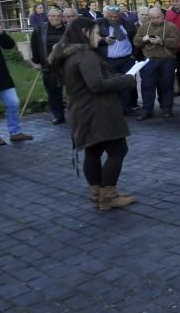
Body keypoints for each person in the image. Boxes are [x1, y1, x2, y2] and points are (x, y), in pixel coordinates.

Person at [48, 16, 137, 209]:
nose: (100, 37)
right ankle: (109, 196)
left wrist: (114, 78)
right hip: (98, 111)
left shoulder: (68, 54)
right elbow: (96, 85)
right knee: (118, 150)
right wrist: (126, 79)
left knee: (93, 150)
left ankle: (97, 193)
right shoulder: (85, 56)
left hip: (82, 110)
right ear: (85, 33)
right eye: (97, 33)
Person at [134, 7, 180, 120]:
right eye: (153, 18)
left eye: (158, 17)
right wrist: (144, 39)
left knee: (167, 85)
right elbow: (136, 41)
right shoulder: (144, 27)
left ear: (163, 15)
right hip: (150, 61)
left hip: (167, 60)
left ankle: (167, 109)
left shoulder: (171, 26)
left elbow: (177, 43)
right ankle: (147, 110)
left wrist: (162, 41)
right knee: (147, 86)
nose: (156, 19)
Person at [98, 4, 138, 115]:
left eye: (116, 17)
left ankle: (126, 107)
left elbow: (135, 40)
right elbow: (93, 39)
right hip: (109, 60)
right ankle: (115, 108)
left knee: (126, 83)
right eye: (111, 16)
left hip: (127, 59)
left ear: (120, 15)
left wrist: (134, 54)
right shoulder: (99, 24)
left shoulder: (127, 24)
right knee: (113, 84)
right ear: (107, 15)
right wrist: (104, 40)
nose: (113, 19)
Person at [29, 7, 67, 124]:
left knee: (73, 90)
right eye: (53, 16)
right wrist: (36, 62)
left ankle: (78, 112)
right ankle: (59, 115)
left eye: (58, 16)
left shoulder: (68, 29)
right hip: (49, 65)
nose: (56, 18)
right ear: (48, 17)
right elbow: (34, 45)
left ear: (62, 18)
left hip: (66, 65)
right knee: (53, 93)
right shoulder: (40, 28)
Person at [0, 23, 33, 146]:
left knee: (13, 102)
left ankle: (15, 132)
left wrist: (1, 33)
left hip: (2, 76)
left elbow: (9, 45)